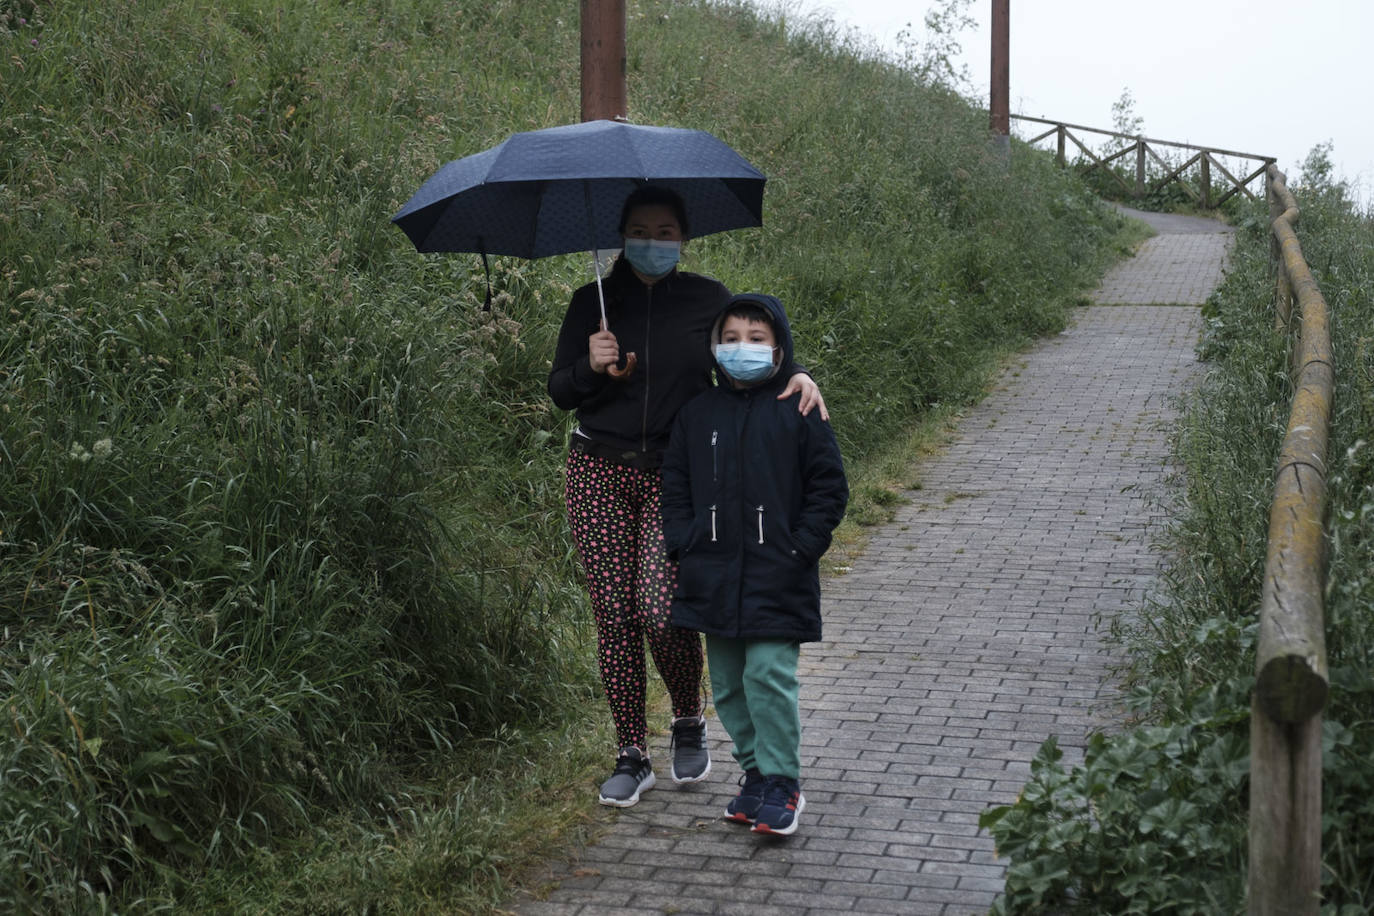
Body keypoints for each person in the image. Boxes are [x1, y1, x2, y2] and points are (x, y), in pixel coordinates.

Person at [547, 187, 828, 807]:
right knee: (614, 618)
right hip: (597, 470)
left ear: (684, 239)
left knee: (661, 608)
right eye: (642, 229)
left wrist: (800, 372)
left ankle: (686, 716)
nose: (654, 241)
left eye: (667, 230)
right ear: (621, 237)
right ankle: (629, 751)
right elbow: (560, 391)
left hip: (678, 474)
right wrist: (591, 367)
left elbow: (749, 350)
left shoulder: (707, 297)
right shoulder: (590, 303)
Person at [660, 293, 849, 836]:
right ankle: (755, 777)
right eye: (731, 338)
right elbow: (676, 486)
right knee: (727, 684)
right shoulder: (697, 413)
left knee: (768, 674)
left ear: (778, 347)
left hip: (778, 574)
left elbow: (829, 488)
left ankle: (784, 782)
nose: (742, 348)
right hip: (711, 575)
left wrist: (800, 548)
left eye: (756, 339)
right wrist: (683, 542)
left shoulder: (798, 407)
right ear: (714, 346)